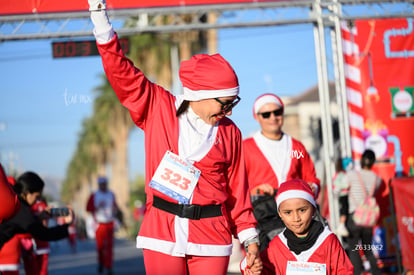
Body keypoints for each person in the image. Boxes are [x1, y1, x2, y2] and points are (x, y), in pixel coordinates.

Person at [87, 1, 262, 274]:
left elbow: (237, 192)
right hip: (162, 230)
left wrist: (250, 239)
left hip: (211, 237)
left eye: (233, 103)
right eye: (225, 103)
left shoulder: (230, 132)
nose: (229, 110)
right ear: (200, 94)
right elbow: (122, 73)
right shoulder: (158, 107)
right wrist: (100, 20)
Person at [243, 93, 320, 249]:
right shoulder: (247, 148)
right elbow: (236, 183)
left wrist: (312, 186)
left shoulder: (295, 147)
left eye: (277, 112)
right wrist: (254, 190)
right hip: (263, 212)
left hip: (295, 209)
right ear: (257, 117)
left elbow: (310, 175)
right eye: (266, 114)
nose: (273, 117)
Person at [261, 179, 354, 275]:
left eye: (302, 210)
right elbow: (257, 269)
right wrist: (250, 265)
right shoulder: (276, 246)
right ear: (280, 214)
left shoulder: (328, 240)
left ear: (313, 209)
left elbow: (344, 271)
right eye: (288, 212)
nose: (296, 218)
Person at [0, 171, 74, 252]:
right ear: (27, 193)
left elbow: (19, 225)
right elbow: (44, 234)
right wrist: (67, 225)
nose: (37, 200)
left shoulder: (12, 197)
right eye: (37, 196)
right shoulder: (20, 208)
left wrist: (39, 218)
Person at [343, 149, 383, 275]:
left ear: (361, 161)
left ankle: (357, 273)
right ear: (373, 162)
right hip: (368, 218)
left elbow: (340, 189)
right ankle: (376, 272)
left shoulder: (352, 175)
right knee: (367, 248)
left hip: (354, 215)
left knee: (354, 248)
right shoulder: (377, 179)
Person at [86, 176, 119, 274]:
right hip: (99, 224)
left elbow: (115, 206)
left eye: (105, 184)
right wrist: (96, 208)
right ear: (99, 184)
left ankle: (108, 266)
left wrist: (115, 212)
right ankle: (101, 262)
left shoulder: (111, 194)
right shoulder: (94, 195)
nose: (103, 186)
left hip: (109, 223)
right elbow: (88, 208)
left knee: (109, 246)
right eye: (102, 184)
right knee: (100, 246)